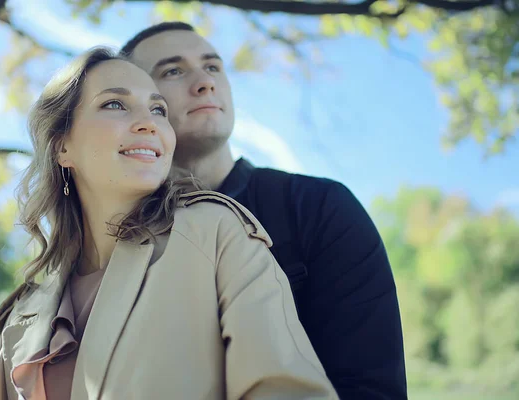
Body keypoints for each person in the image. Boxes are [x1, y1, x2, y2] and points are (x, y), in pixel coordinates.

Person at [0, 46, 339, 400]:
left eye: (158, 109)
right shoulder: (22, 313)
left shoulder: (216, 233)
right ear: (62, 146)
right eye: (115, 104)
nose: (149, 123)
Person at [121, 22, 407, 400]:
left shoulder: (319, 206)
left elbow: (373, 388)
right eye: (173, 71)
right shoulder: (118, 243)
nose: (205, 82)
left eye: (213, 67)